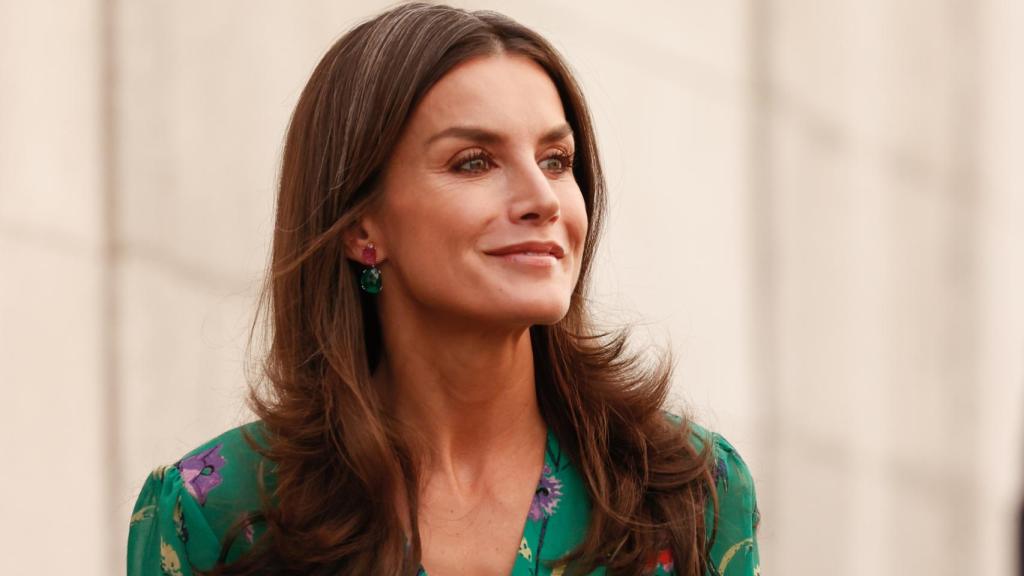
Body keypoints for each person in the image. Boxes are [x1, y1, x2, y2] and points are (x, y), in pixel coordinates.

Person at [126, 3, 760, 575]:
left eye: (556, 161)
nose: (542, 198)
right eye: (475, 162)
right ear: (361, 227)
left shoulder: (687, 489)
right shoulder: (216, 512)